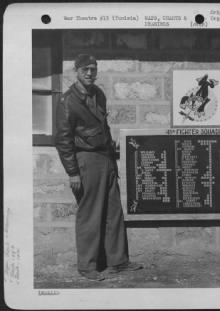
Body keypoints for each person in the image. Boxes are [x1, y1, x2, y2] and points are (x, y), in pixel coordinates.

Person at [55, 54, 142, 281]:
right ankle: (87, 266)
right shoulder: (68, 101)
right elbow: (63, 140)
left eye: (93, 69)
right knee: (90, 214)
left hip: (105, 158)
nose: (90, 73)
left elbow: (103, 126)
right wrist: (73, 172)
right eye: (85, 69)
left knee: (114, 212)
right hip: (86, 160)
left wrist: (112, 150)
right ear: (77, 71)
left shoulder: (99, 94)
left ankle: (118, 261)